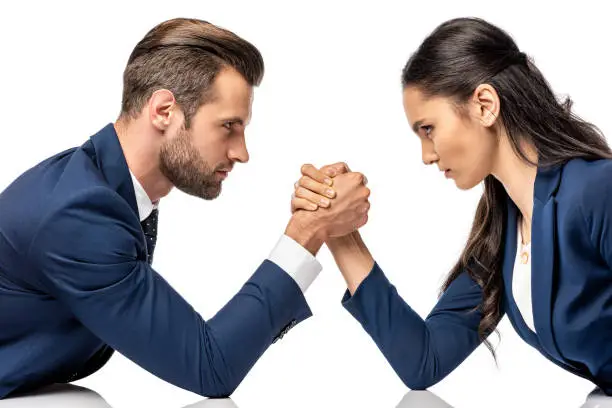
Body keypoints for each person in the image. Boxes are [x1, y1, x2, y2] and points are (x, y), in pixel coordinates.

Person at [0, 18, 371, 399]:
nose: (241, 153)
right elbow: (211, 367)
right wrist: (308, 231)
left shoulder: (99, 183)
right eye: (229, 126)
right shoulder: (78, 216)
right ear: (163, 111)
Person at [292, 17, 612, 398]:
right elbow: (424, 360)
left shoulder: (597, 190)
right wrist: (339, 231)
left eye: (428, 129)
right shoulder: (504, 234)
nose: (427, 155)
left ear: (485, 105)